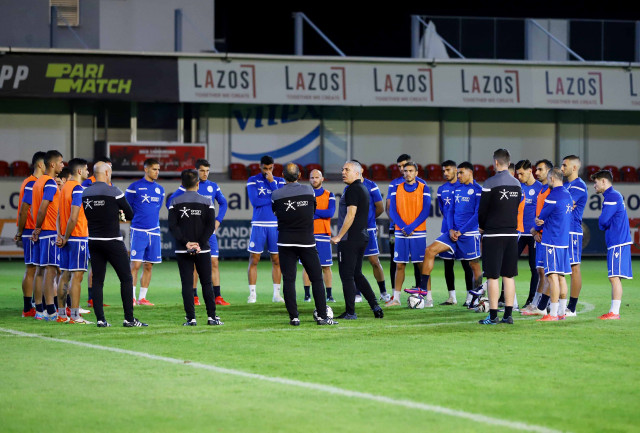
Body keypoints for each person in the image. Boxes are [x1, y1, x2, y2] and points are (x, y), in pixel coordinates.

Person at [272, 163, 338, 326]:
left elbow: (276, 213)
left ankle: (294, 318)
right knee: (316, 278)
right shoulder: (309, 191)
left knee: (289, 280)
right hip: (306, 241)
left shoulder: (276, 194)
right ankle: (322, 316)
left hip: (285, 241)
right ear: (300, 175)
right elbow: (312, 211)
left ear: (283, 176)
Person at [83, 162, 146, 327]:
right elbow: (130, 213)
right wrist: (118, 213)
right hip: (112, 241)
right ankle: (129, 319)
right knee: (126, 278)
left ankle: (101, 320)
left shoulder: (85, 192)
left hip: (94, 241)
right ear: (106, 173)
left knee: (97, 281)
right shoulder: (114, 191)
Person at [413, 162, 483, 307]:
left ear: (470, 172)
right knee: (429, 251)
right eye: (458, 173)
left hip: (469, 234)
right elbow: (449, 211)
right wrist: (451, 229)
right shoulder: (457, 189)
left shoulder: (478, 190)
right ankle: (423, 289)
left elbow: (478, 215)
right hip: (452, 233)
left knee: (473, 265)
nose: (459, 175)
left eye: (461, 173)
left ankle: (476, 297)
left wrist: (461, 231)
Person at [167, 159, 229, 306]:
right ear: (196, 171)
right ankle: (194, 296)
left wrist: (218, 220)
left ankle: (218, 296)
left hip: (207, 233)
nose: (205, 174)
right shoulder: (188, 186)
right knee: (194, 264)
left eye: (207, 171)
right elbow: (170, 202)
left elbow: (224, 203)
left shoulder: (213, 186)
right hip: (193, 233)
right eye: (202, 171)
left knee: (214, 262)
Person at [331, 161, 384, 320]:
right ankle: (375, 306)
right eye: (342, 169)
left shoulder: (353, 189)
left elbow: (351, 215)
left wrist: (339, 236)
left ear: (357, 172)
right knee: (356, 274)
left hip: (350, 238)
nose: (343, 172)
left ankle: (350, 312)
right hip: (362, 236)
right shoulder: (362, 188)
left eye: (347, 170)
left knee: (346, 275)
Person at [477, 149, 523, 325]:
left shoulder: (490, 183)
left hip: (493, 234)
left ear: (496, 162)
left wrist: (482, 226)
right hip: (511, 234)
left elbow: (482, 210)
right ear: (509, 163)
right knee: (509, 276)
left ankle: (493, 316)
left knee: (492, 276)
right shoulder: (517, 184)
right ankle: (508, 315)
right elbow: (516, 205)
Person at [386, 162, 430, 306]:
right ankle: (396, 299)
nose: (408, 173)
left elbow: (426, 211)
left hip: (418, 232)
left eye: (411, 171)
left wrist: (411, 227)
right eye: (405, 171)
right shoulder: (396, 188)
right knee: (400, 265)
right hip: (401, 232)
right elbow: (392, 211)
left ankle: (429, 298)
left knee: (421, 265)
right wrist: (404, 227)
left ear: (416, 173)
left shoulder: (424, 187)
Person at [591, 169, 633, 320]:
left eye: (596, 182)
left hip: (618, 242)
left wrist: (603, 223)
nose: (594, 186)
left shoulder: (612, 196)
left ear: (604, 181)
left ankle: (614, 312)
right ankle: (613, 311)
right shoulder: (613, 196)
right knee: (614, 277)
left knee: (614, 277)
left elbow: (602, 221)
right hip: (617, 242)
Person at [533, 167, 573, 322]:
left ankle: (553, 313)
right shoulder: (568, 195)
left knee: (552, 276)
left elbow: (541, 217)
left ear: (552, 178)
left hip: (552, 241)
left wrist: (535, 228)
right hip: (563, 241)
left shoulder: (553, 196)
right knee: (561, 276)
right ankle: (562, 312)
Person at [55, 158, 92, 324]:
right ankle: (75, 316)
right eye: (86, 169)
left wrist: (60, 235)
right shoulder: (77, 189)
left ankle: (62, 314)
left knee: (65, 275)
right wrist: (67, 237)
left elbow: (58, 216)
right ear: (79, 171)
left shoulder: (64, 188)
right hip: (77, 237)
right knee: (77, 277)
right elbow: (73, 217)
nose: (88, 172)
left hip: (66, 237)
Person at [30, 150, 65, 321]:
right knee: (50, 272)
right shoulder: (50, 183)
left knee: (40, 271)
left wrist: (36, 228)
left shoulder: (38, 182)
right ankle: (51, 311)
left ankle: (39, 310)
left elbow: (33, 208)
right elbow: (44, 206)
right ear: (52, 164)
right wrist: (38, 227)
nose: (63, 165)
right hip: (49, 231)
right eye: (61, 162)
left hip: (42, 232)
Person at [126, 158, 165, 306]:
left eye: (158, 169)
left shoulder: (160, 189)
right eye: (154, 169)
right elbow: (126, 207)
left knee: (149, 265)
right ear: (146, 169)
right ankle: (131, 297)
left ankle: (142, 298)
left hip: (154, 231)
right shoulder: (134, 187)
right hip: (138, 231)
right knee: (135, 265)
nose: (157, 172)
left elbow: (157, 207)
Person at [246, 155, 285, 303]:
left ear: (273, 167)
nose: (267, 171)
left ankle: (276, 295)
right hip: (259, 224)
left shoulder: (279, 181)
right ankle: (252, 294)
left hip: (275, 225)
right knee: (254, 259)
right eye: (265, 168)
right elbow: (255, 201)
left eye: (270, 168)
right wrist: (274, 197)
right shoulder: (253, 180)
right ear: (260, 166)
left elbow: (281, 200)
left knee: (277, 260)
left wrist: (272, 183)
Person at [436, 160, 473, 306]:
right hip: (447, 230)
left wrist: (460, 229)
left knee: (466, 264)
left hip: (462, 232)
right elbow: (443, 210)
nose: (445, 173)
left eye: (448, 170)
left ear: (456, 170)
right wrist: (450, 227)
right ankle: (452, 297)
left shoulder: (463, 186)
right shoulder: (441, 189)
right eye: (443, 171)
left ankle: (470, 297)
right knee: (448, 264)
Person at [14, 151, 46, 317]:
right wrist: (20, 231)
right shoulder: (32, 183)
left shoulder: (36, 182)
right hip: (31, 230)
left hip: (35, 231)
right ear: (40, 165)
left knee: (39, 269)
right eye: (46, 163)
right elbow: (24, 210)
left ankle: (34, 303)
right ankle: (27, 308)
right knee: (32, 269)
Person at [522, 159, 553, 316]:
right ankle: (539, 303)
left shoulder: (552, 190)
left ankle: (546, 305)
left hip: (547, 235)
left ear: (549, 171)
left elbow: (553, 213)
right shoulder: (542, 189)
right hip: (540, 234)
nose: (537, 172)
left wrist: (537, 229)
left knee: (548, 272)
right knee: (541, 270)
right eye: (536, 169)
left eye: (540, 169)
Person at [301, 169, 336, 303]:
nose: (314, 180)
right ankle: (307, 295)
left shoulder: (329, 195)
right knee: (306, 266)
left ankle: (329, 295)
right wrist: (319, 214)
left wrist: (313, 212)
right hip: (307, 234)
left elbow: (330, 213)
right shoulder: (304, 194)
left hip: (323, 234)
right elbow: (304, 213)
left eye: (317, 177)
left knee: (326, 266)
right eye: (312, 177)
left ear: (322, 179)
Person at [83, 156, 112, 308]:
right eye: (108, 167)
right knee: (93, 266)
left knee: (99, 266)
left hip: (104, 230)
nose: (109, 171)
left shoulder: (110, 185)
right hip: (89, 230)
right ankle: (90, 298)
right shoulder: (87, 183)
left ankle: (94, 298)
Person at [561, 155, 588, 317]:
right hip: (561, 230)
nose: (562, 168)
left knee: (574, 268)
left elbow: (566, 204)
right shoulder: (565, 185)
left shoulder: (579, 185)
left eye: (565, 165)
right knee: (559, 268)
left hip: (572, 231)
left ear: (575, 167)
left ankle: (572, 307)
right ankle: (559, 303)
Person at [514, 159, 543, 307]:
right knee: (509, 265)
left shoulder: (540, 188)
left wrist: (539, 231)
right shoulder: (517, 188)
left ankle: (531, 299)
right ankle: (504, 298)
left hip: (533, 234)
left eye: (521, 174)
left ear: (530, 171)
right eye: (517, 174)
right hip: (518, 232)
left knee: (534, 268)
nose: (519, 177)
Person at [358, 162, 387, 302]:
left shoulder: (371, 185)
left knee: (374, 261)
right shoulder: (348, 188)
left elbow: (380, 208)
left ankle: (383, 292)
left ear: (361, 170)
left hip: (368, 228)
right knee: (355, 264)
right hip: (354, 230)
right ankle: (357, 294)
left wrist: (369, 220)